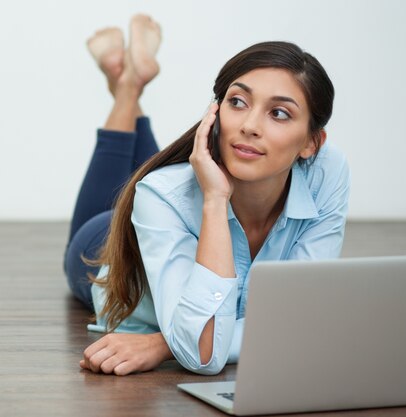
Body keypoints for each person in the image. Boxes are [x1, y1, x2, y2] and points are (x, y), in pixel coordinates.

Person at [64, 14, 350, 376]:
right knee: (153, 190)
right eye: (238, 102)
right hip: (106, 248)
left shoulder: (327, 173)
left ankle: (128, 80)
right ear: (213, 114)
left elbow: (298, 321)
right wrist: (215, 200)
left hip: (167, 204)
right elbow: (205, 353)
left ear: (312, 142)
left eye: (278, 113)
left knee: (166, 183)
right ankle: (128, 89)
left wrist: (164, 343)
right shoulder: (161, 194)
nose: (249, 126)